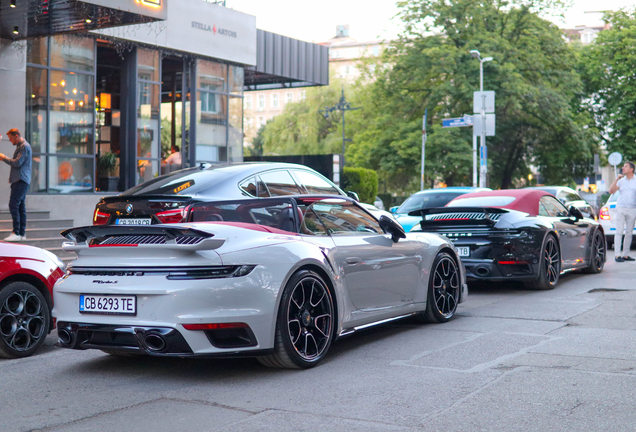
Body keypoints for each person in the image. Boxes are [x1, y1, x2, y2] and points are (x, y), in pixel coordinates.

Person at [0, 128, 32, 241]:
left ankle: (17, 232)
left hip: (20, 180)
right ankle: (21, 234)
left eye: (11, 138)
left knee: (14, 205)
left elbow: (18, 163)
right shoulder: (21, 147)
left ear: (17, 136)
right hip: (21, 180)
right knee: (20, 206)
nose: (10, 141)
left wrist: (4, 158)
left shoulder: (24, 147)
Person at [608, 161, 636, 262]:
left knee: (629, 232)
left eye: (625, 166)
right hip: (621, 208)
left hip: (632, 209)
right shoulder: (621, 181)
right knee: (619, 231)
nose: (623, 168)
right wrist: (616, 179)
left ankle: (626, 254)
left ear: (631, 169)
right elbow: (611, 191)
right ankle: (617, 255)